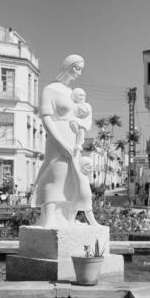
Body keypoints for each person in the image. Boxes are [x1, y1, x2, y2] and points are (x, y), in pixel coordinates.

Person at [31, 54, 98, 228]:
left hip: (73, 140)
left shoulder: (73, 93)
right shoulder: (50, 89)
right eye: (77, 68)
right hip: (57, 138)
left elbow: (81, 115)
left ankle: (66, 217)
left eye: (81, 69)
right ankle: (49, 217)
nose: (79, 73)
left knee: (71, 178)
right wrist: (60, 142)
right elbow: (46, 118)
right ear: (67, 67)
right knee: (55, 174)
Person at [69, 87, 92, 156]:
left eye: (83, 95)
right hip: (74, 120)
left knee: (82, 129)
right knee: (73, 124)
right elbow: (72, 112)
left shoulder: (87, 105)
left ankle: (78, 144)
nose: (82, 97)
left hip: (83, 121)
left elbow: (86, 111)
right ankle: (74, 139)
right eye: (80, 95)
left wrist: (79, 107)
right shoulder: (73, 105)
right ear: (75, 96)